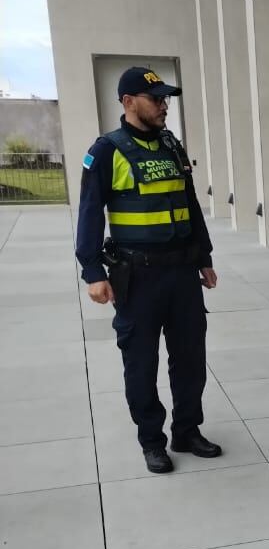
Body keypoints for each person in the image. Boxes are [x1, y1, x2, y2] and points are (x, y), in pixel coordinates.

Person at [75, 67, 220, 474]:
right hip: (138, 277)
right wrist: (92, 271)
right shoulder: (107, 150)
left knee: (190, 358)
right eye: (155, 98)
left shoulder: (171, 145)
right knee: (141, 363)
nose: (163, 106)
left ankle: (187, 431)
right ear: (127, 102)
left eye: (166, 99)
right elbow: (89, 213)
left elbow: (190, 206)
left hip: (182, 274)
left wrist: (204, 258)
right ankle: (152, 440)